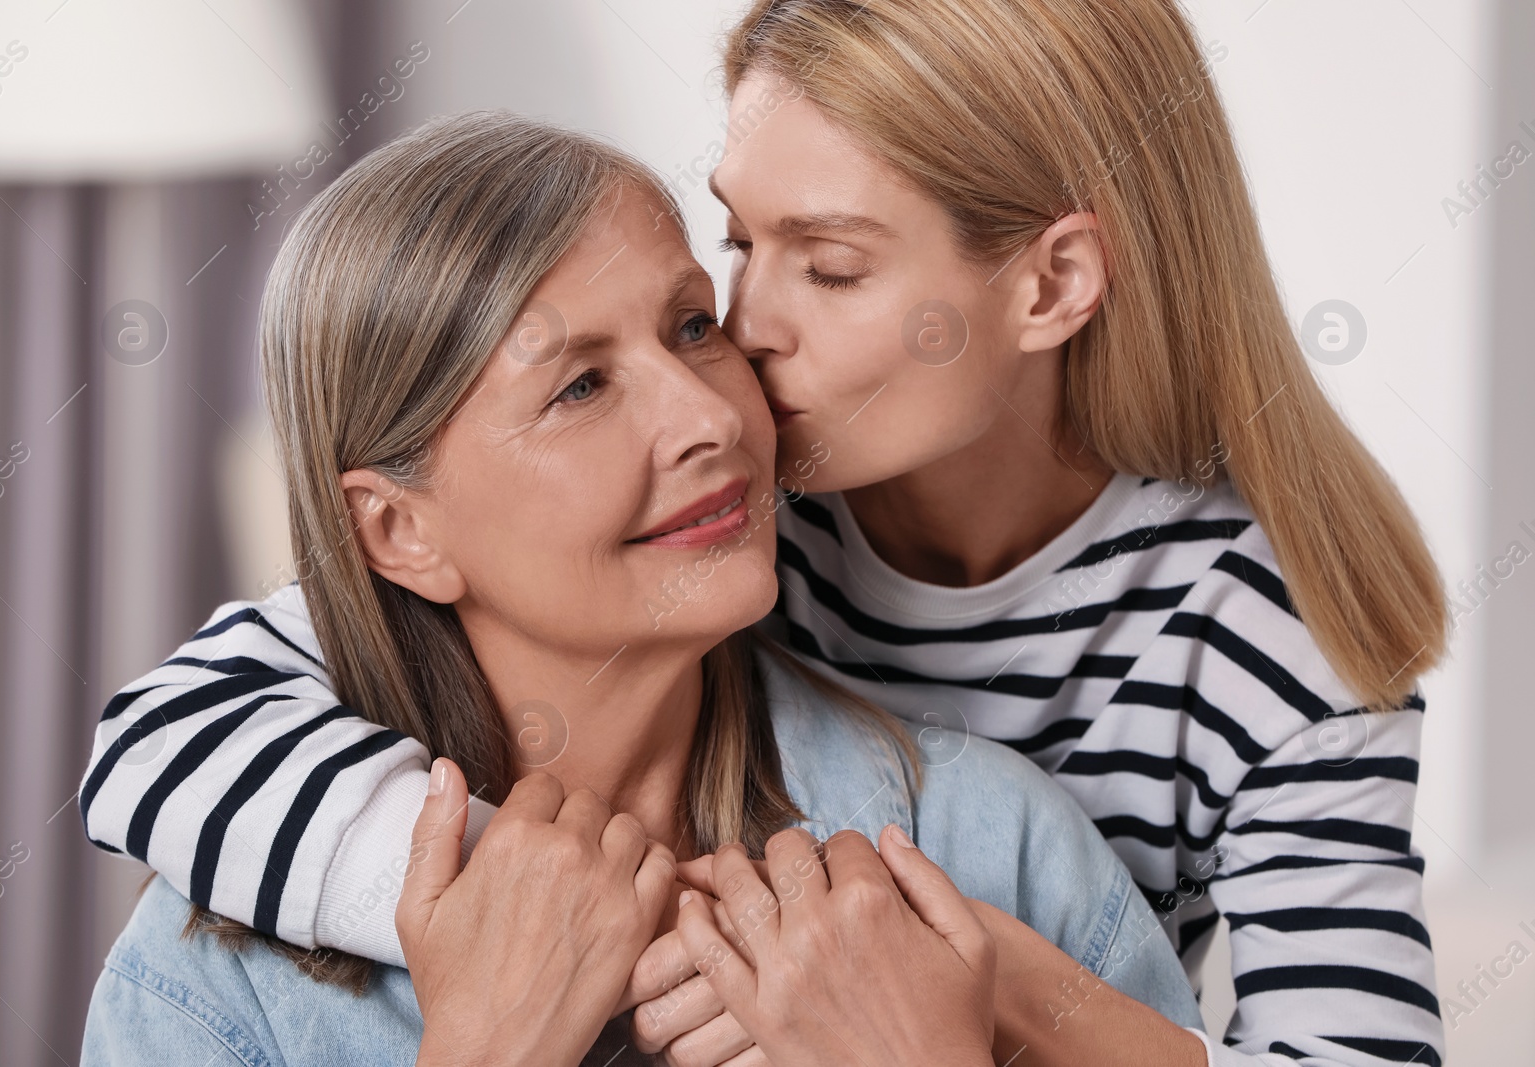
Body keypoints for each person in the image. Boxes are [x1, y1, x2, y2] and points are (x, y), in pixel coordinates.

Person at [84, 1, 1449, 1063]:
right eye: (737, 251)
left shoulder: (1241, 657)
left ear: (1055, 283)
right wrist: (518, 920)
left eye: (834, 265)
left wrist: (970, 987)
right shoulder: (757, 501)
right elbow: (165, 728)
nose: (736, 360)